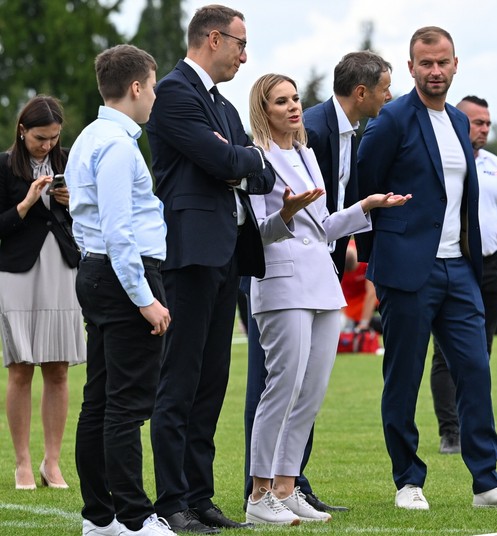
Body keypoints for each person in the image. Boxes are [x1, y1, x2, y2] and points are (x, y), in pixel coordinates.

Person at [357, 26, 497, 510]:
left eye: (443, 62)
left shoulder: (460, 122)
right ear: (411, 66)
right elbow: (365, 192)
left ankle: (487, 483)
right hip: (407, 272)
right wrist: (380, 263)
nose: (435, 71)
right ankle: (408, 481)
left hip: (461, 269)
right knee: (404, 377)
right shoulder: (390, 121)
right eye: (425, 63)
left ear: (455, 64)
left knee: (476, 371)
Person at [243, 73, 410, 525]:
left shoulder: (306, 153)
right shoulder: (256, 159)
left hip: (321, 283)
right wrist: (286, 213)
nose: (293, 107)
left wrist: (366, 208)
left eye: (296, 98)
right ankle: (258, 496)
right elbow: (256, 234)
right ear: (265, 109)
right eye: (281, 101)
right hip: (280, 284)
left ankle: (285, 485)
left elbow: (324, 228)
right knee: (281, 387)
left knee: (310, 393)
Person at [145, 5, 276, 533]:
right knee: (179, 382)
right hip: (189, 253)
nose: (245, 56)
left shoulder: (220, 104)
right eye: (241, 45)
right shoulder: (175, 93)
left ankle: (200, 497)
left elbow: (260, 169)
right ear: (214, 39)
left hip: (227, 254)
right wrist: (235, 159)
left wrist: (236, 158)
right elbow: (228, 162)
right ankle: (171, 501)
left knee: (212, 383)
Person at [68, 44, 175, 536]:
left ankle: (101, 517)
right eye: (152, 86)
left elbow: (83, 223)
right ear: (136, 87)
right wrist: (144, 298)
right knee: (126, 405)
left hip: (98, 271)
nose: (154, 96)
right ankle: (134, 519)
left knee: (101, 400)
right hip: (121, 274)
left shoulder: (89, 137)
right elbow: (118, 231)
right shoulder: (116, 145)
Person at [429, 95, 497, 455]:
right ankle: (450, 431)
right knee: (444, 352)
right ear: (458, 120)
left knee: (480, 350)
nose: (484, 129)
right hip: (448, 262)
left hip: (487, 265)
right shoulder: (440, 160)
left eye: (488, 123)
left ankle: (474, 426)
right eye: (477, 122)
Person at [0, 95, 84, 491]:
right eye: (39, 138)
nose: (47, 145)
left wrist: (75, 202)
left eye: (53, 138)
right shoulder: (3, 166)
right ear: (22, 130)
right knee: (20, 369)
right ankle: (21, 464)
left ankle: (52, 464)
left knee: (59, 368)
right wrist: (26, 204)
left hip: (63, 267)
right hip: (17, 271)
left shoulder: (71, 162)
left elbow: (94, 215)